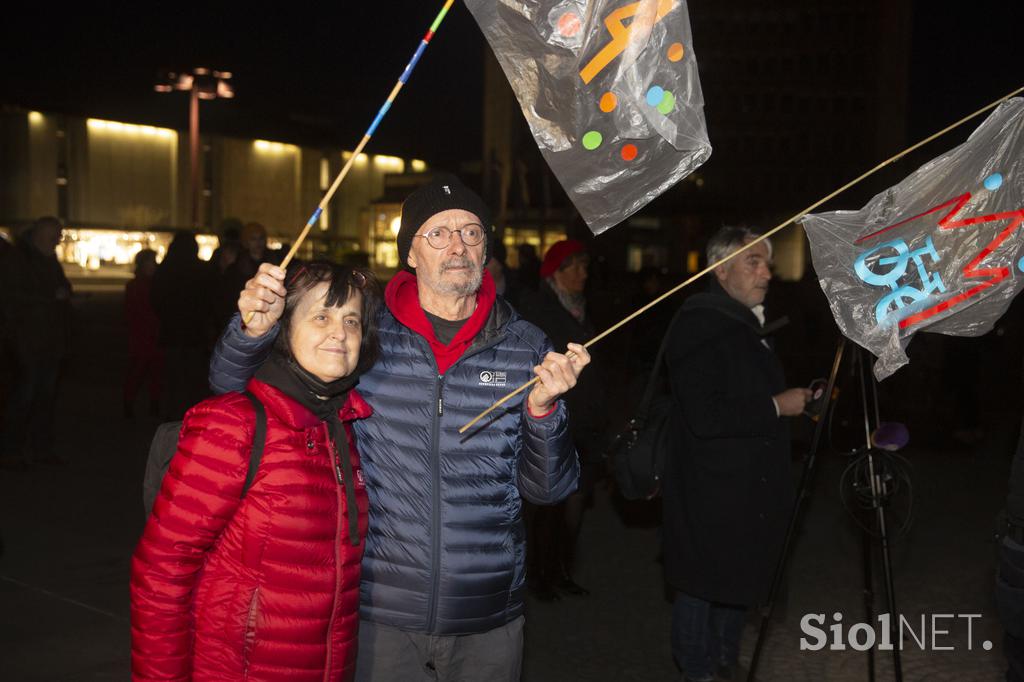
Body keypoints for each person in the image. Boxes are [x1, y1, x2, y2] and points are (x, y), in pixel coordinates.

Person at [208, 175, 588, 681]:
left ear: (486, 249)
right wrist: (252, 331)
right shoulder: (365, 331)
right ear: (410, 252)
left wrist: (543, 414)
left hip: (487, 614)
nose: (458, 245)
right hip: (379, 612)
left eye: (472, 232)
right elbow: (234, 393)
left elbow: (550, 489)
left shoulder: (525, 345)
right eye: (438, 233)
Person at [131, 261, 380, 681]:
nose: (339, 332)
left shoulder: (343, 429)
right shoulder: (235, 425)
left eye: (351, 320)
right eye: (321, 316)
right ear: (284, 328)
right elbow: (162, 573)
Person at [662, 226, 810, 682]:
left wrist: (794, 401)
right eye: (754, 262)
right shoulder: (698, 323)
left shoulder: (744, 320)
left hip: (744, 486)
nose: (767, 272)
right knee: (701, 585)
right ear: (721, 269)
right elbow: (706, 415)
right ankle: (699, 670)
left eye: (767, 263)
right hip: (710, 488)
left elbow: (746, 389)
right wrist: (776, 406)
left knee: (738, 578)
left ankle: (726, 659)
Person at [519, 239, 604, 599]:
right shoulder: (538, 311)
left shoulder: (582, 309)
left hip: (582, 421)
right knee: (547, 507)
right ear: (556, 272)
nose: (583, 275)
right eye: (576, 267)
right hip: (552, 420)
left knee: (576, 502)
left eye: (585, 267)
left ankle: (560, 569)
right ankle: (540, 573)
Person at [0, 216, 72, 469]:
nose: (58, 241)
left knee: (45, 397)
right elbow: (11, 297)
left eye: (59, 236)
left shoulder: (48, 258)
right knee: (25, 396)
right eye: (55, 236)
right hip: (26, 340)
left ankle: (41, 449)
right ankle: (11, 450)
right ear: (41, 234)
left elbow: (62, 287)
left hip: (49, 340)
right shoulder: (18, 259)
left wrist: (62, 294)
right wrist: (50, 298)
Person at [151, 230, 213, 420]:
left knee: (173, 378)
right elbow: (210, 302)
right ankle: (193, 417)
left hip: (172, 331)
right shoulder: (201, 270)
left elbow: (155, 299)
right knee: (193, 378)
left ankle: (171, 416)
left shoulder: (165, 270)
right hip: (195, 332)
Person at [123, 249, 163, 419]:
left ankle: (150, 404)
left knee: (154, 372)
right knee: (139, 370)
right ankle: (130, 403)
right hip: (143, 333)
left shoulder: (153, 284)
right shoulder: (138, 285)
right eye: (150, 263)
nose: (153, 266)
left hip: (153, 333)